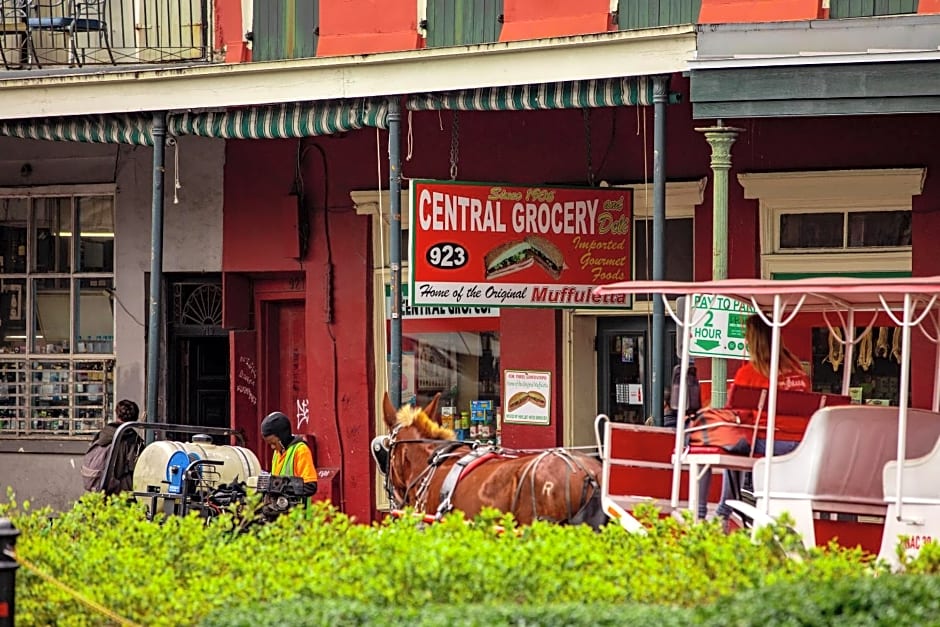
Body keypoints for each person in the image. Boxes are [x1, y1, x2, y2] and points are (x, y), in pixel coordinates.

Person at [698, 314, 810, 523]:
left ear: (753, 340)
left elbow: (737, 413)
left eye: (746, 337)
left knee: (719, 444)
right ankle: (722, 511)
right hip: (802, 444)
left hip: (769, 442)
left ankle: (712, 513)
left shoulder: (750, 373)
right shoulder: (798, 372)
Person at [85, 399, 144, 495]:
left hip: (98, 486)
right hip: (120, 492)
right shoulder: (132, 440)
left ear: (116, 413)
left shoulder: (103, 433)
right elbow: (138, 468)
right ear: (135, 417)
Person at [260, 411, 318, 497]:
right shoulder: (277, 453)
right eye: (270, 444)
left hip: (298, 509)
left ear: (282, 437)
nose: (272, 447)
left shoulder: (300, 450)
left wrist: (282, 486)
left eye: (274, 443)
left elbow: (310, 486)